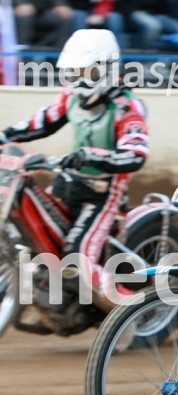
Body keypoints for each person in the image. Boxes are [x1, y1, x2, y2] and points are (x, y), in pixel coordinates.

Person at [0, 29, 148, 309]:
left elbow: (136, 154)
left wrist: (88, 155)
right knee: (38, 229)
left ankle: (129, 313)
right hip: (68, 182)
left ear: (107, 69)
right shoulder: (71, 98)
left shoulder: (126, 106)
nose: (79, 80)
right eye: (73, 73)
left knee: (78, 258)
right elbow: (42, 122)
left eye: (88, 73)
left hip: (103, 193)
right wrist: (5, 136)